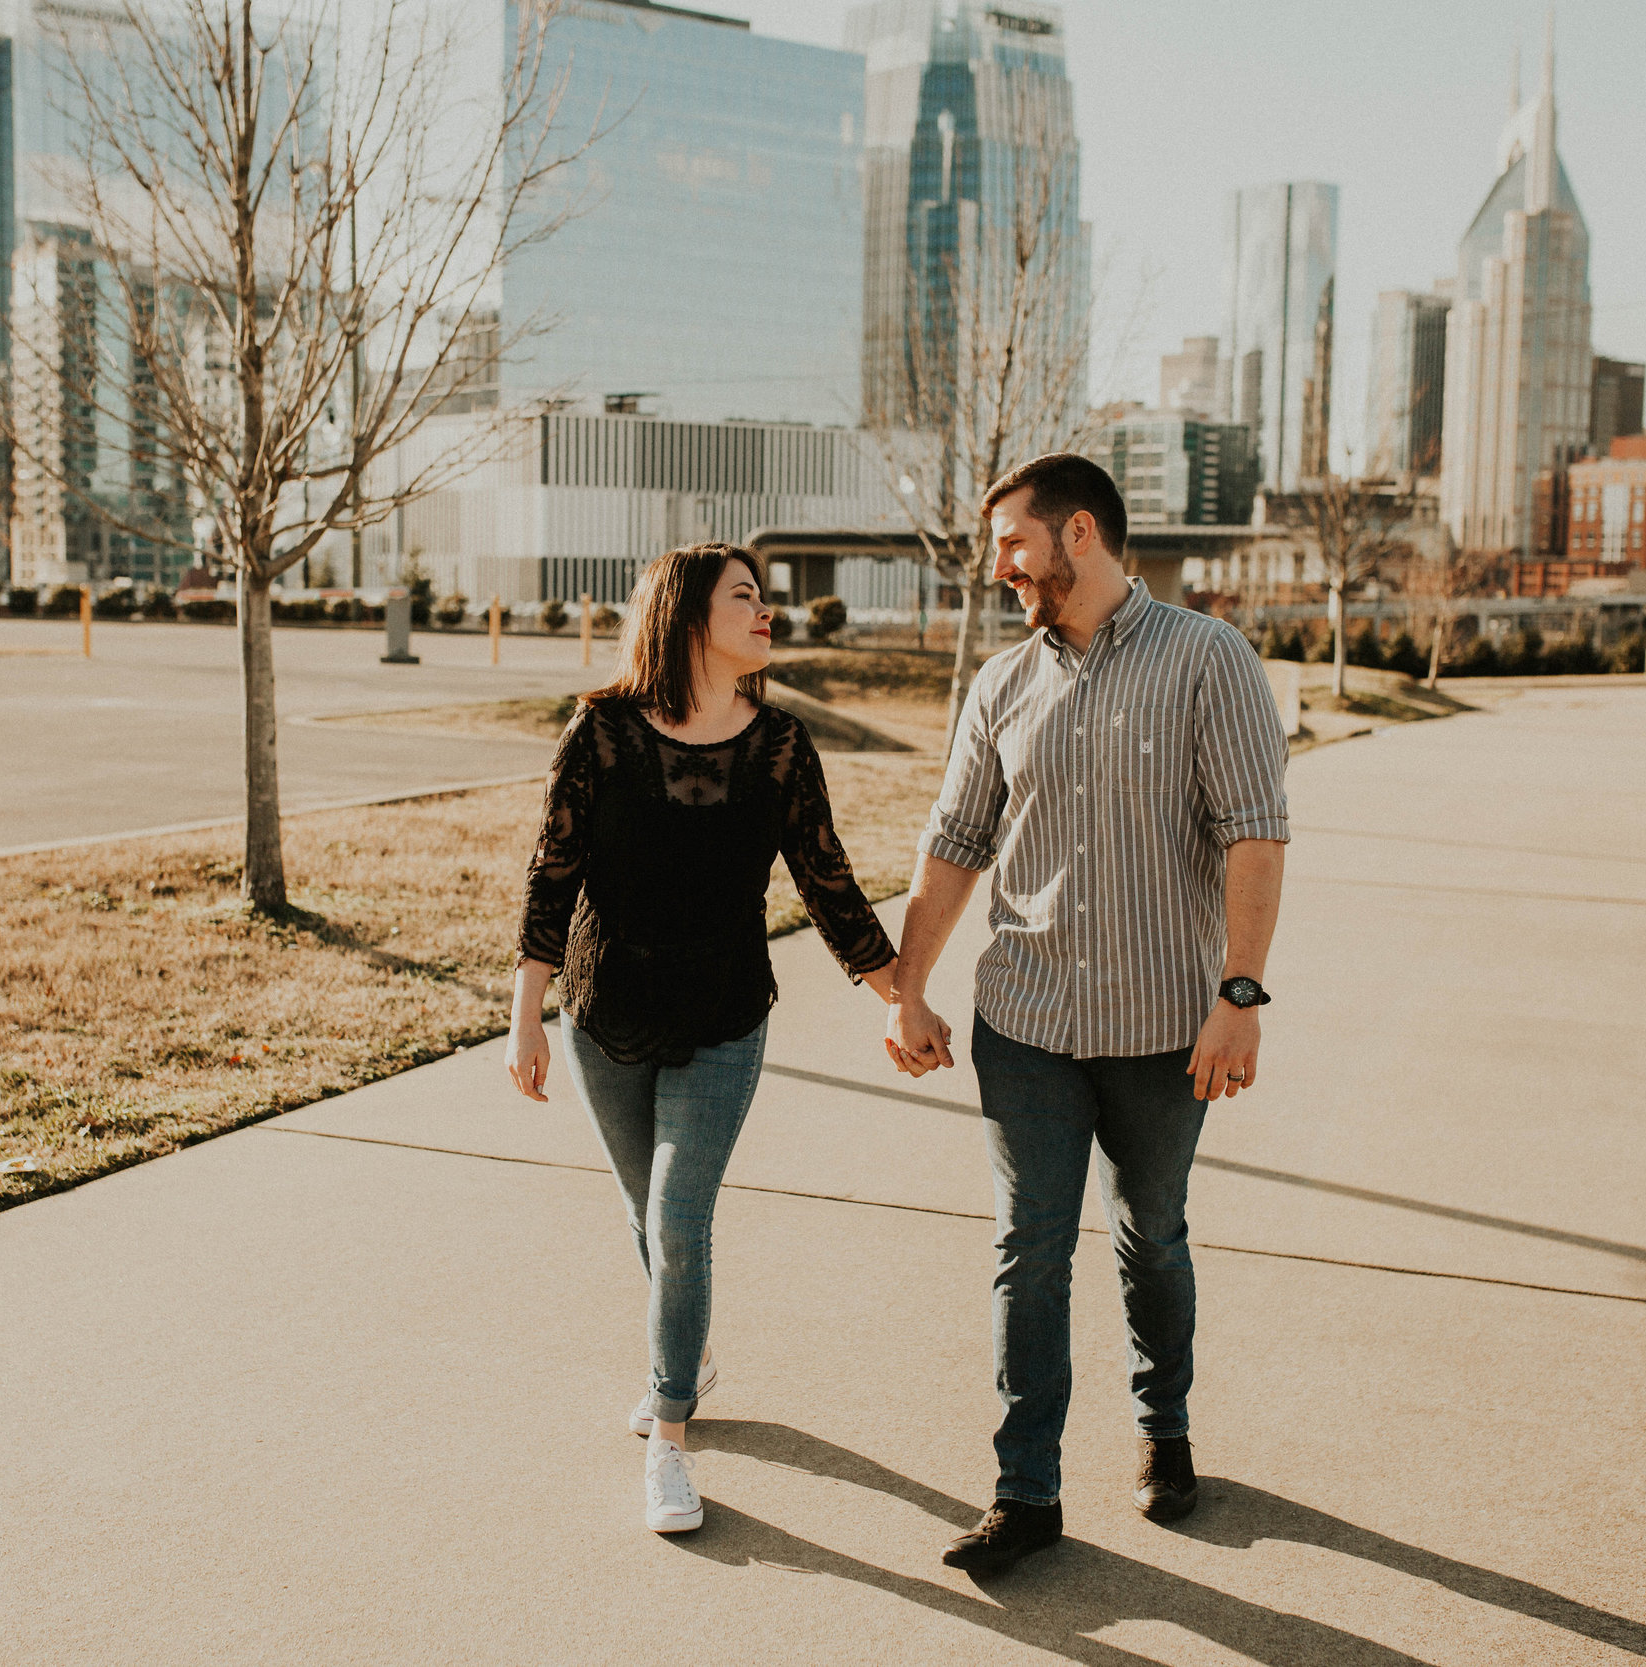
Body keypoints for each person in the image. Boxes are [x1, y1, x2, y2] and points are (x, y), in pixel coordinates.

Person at [880, 453, 1290, 1575]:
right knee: (1030, 1248)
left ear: (1076, 533)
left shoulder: (1210, 659)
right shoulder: (1000, 683)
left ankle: (1163, 1428)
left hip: (1167, 1024)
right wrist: (909, 985)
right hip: (1027, 1018)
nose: (998, 568)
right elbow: (955, 842)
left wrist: (1238, 997)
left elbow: (1255, 829)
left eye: (1011, 543)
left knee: (1149, 1234)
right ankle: (1026, 1490)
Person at [508, 542, 900, 1535]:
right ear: (688, 615)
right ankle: (687, 1353)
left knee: (680, 1218)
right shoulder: (599, 733)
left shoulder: (779, 746)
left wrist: (900, 992)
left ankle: (669, 1439)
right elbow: (550, 877)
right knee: (650, 1216)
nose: (767, 613)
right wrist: (525, 1016)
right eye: (745, 598)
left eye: (764, 599)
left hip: (725, 1011)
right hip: (606, 1012)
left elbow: (828, 883)